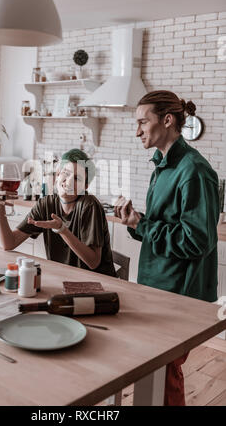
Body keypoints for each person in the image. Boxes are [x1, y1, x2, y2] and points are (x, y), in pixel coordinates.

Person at [114, 90, 220, 406]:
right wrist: (137, 221)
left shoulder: (194, 170)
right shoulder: (162, 164)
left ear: (168, 120)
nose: (137, 131)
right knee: (157, 373)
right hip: (158, 285)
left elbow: (197, 241)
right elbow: (167, 226)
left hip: (179, 292)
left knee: (165, 373)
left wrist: (142, 225)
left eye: (142, 122)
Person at [0, 148, 115, 277]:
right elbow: (9, 243)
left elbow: (93, 262)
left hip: (98, 283)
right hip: (64, 277)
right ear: (58, 174)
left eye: (77, 178)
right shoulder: (46, 204)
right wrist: (0, 205)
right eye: (66, 173)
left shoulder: (89, 205)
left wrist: (62, 229)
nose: (69, 181)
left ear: (85, 187)